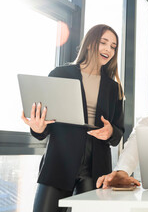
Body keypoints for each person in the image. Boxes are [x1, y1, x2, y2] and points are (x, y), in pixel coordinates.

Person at [21, 24, 125, 212]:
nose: (108, 49)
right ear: (89, 44)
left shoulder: (113, 88)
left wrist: (111, 131)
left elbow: (119, 133)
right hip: (60, 161)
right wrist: (37, 127)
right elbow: (47, 125)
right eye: (103, 42)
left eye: (113, 46)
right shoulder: (60, 74)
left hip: (96, 167)